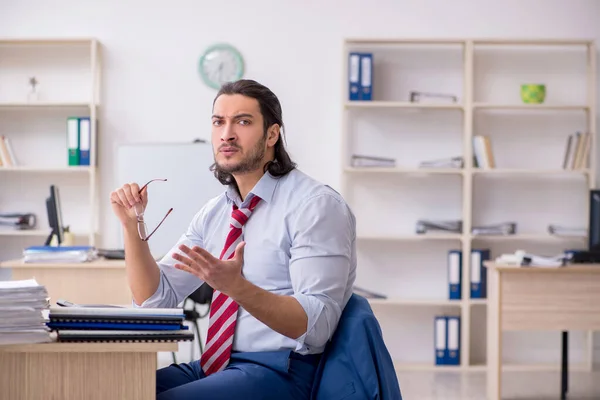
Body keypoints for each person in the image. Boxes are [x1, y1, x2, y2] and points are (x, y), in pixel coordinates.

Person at [109, 79, 357, 399]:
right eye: (218, 122)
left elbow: (318, 327)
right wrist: (132, 227)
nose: (227, 133)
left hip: (282, 370)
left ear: (272, 134)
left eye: (242, 121)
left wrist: (237, 287)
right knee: (112, 389)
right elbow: (155, 300)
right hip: (216, 365)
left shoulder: (316, 206)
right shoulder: (216, 213)